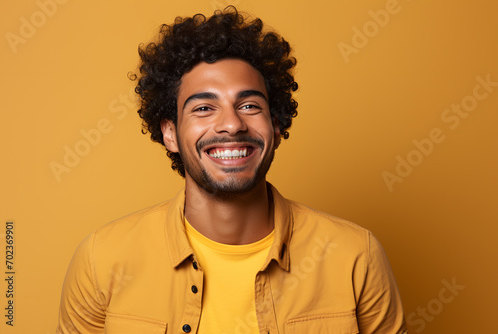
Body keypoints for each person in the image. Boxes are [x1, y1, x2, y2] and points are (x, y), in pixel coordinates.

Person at [57, 7, 408, 333]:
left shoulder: (355, 256)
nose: (231, 124)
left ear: (275, 125)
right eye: (204, 108)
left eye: (249, 105)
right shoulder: (101, 260)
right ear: (170, 134)